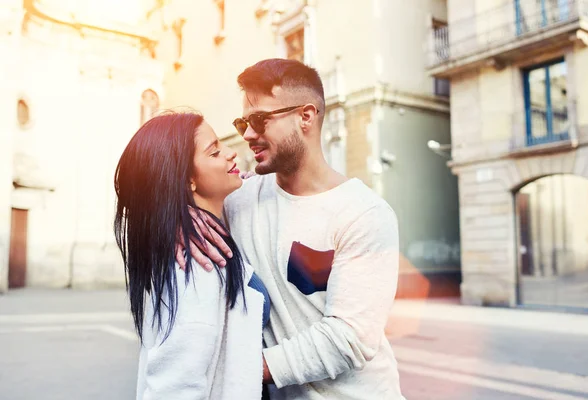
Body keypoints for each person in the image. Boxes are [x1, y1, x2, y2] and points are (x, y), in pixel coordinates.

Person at [181, 59, 405, 399]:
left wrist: (235, 370)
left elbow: (347, 338)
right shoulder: (240, 198)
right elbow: (160, 196)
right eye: (243, 122)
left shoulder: (365, 214)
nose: (247, 134)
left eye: (259, 120)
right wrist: (181, 221)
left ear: (306, 116)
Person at [113, 112, 270, 400]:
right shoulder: (194, 263)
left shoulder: (205, 235)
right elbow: (174, 389)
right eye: (214, 151)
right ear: (187, 181)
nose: (231, 152)